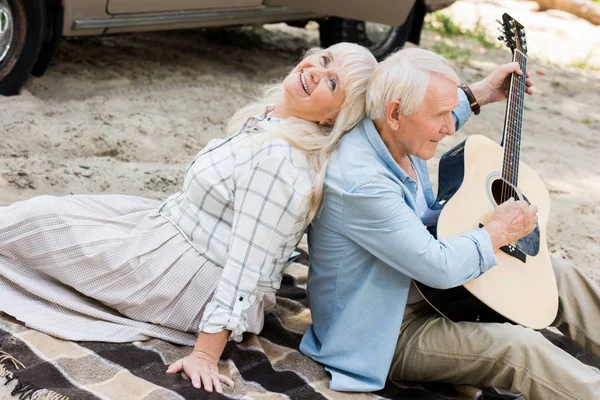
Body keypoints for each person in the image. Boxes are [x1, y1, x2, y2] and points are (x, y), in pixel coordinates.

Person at [0, 42, 377, 393]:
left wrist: (205, 355)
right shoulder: (273, 122)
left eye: (332, 82)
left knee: (37, 226)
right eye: (325, 59)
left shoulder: (281, 162)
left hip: (182, 276)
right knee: (41, 215)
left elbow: (247, 265)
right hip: (166, 228)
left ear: (333, 118)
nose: (316, 71)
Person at [300, 47, 600, 399]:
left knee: (554, 273)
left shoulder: (393, 129)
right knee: (518, 348)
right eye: (439, 116)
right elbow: (437, 267)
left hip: (430, 293)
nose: (447, 127)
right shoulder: (362, 183)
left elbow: (434, 108)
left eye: (448, 113)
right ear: (395, 113)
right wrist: (496, 232)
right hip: (384, 332)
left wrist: (480, 93)